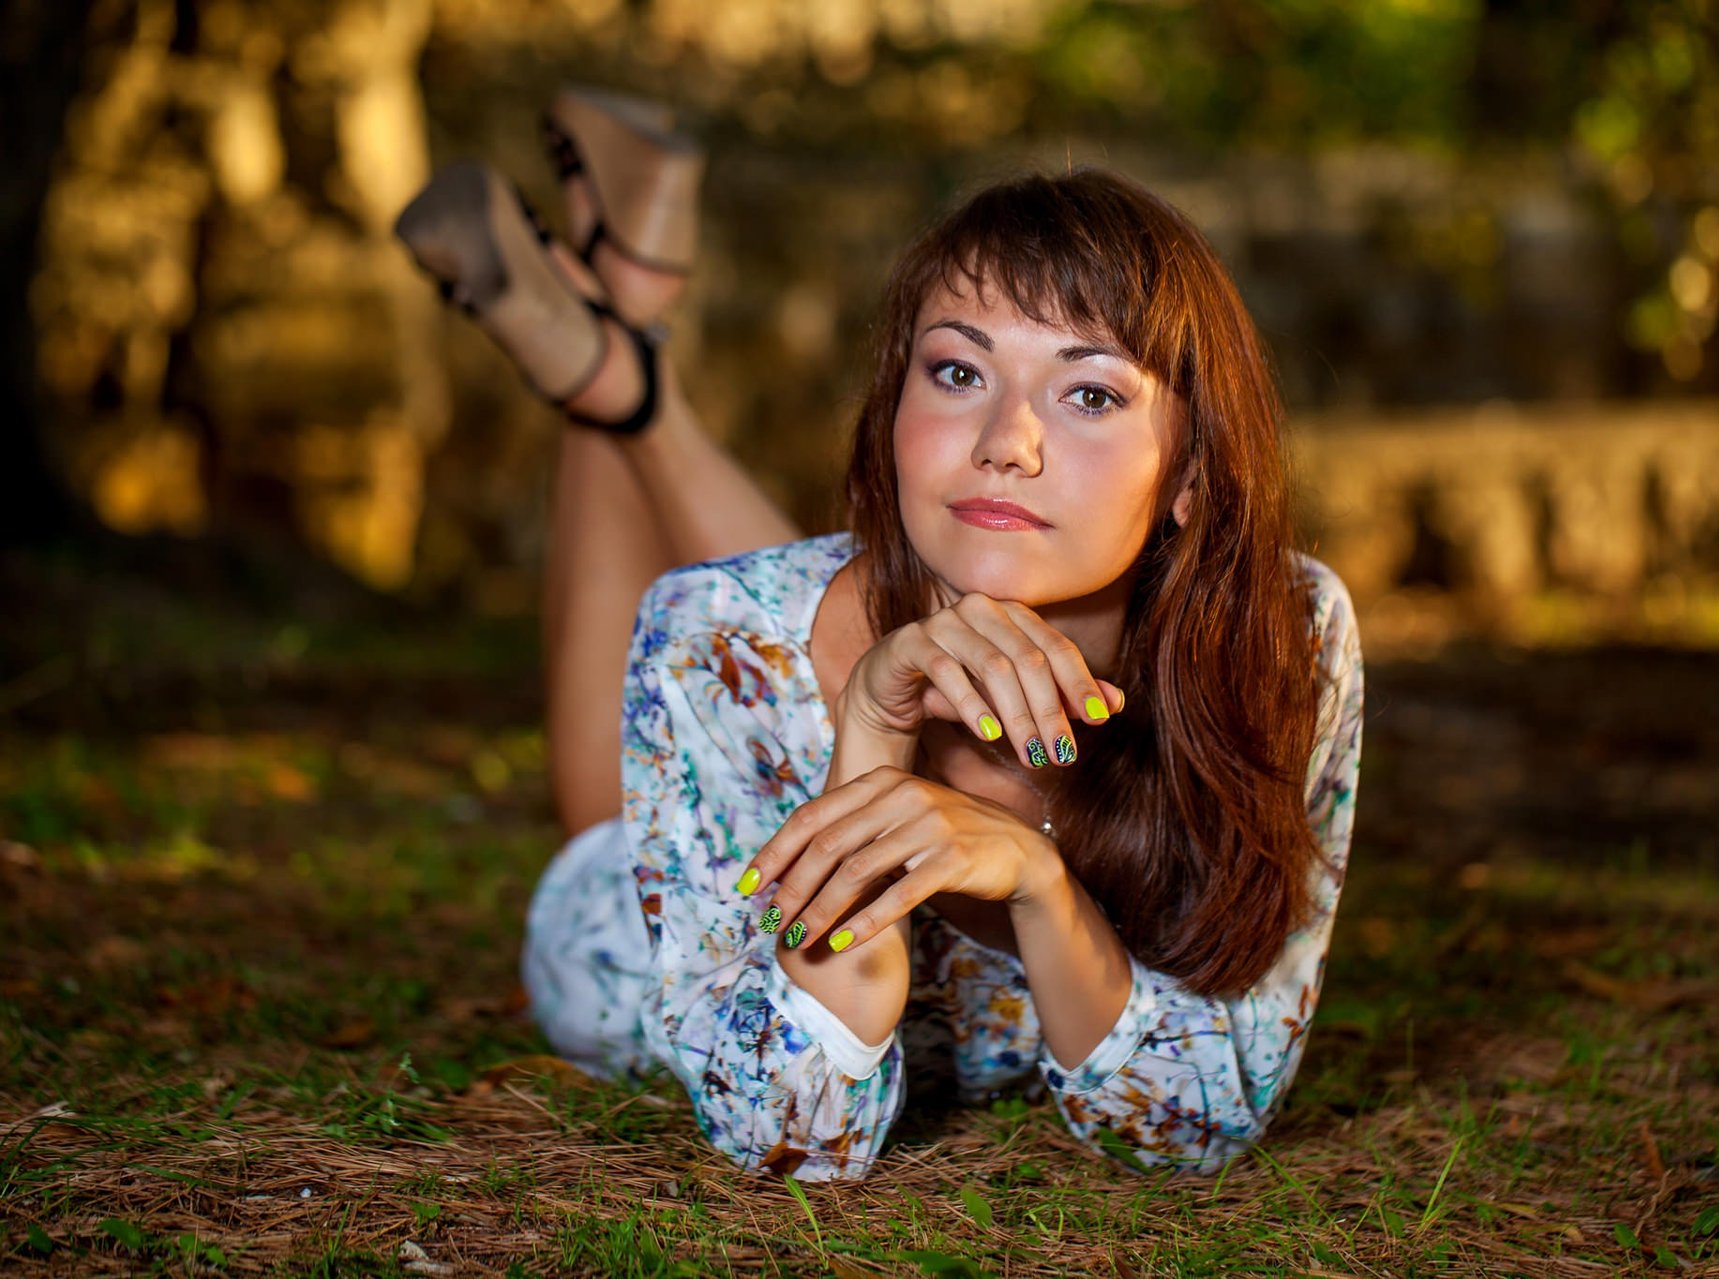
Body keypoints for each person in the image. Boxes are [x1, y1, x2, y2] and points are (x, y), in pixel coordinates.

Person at [395, 87, 1365, 1183]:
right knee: (731, 650)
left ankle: (614, 344)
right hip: (627, 924)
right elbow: (798, 1139)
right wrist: (866, 733)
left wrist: (1040, 885)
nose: (1008, 441)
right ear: (893, 408)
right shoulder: (716, 630)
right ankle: (609, 360)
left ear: (1192, 469)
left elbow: (1201, 1118)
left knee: (799, 597)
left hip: (823, 628)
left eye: (1089, 394)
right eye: (958, 372)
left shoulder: (1286, 634)